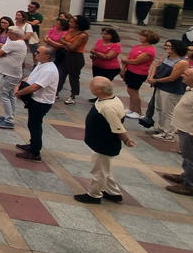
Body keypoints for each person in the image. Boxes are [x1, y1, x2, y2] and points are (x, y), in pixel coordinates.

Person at [73, 76, 134, 204]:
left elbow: (118, 127)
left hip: (104, 143)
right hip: (100, 141)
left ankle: (94, 195)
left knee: (99, 171)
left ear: (100, 89)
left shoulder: (108, 107)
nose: (89, 87)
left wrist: (126, 140)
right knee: (104, 168)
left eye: (92, 85)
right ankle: (113, 193)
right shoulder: (111, 99)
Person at [15, 45, 60, 161]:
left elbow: (35, 87)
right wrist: (19, 85)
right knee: (32, 124)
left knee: (35, 126)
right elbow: (31, 77)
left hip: (41, 102)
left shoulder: (49, 70)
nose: (35, 53)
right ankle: (32, 144)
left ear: (47, 56)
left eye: (38, 52)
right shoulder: (41, 64)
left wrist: (20, 93)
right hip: (35, 99)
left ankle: (35, 152)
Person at [160, 64, 193, 196]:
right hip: (184, 127)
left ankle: (189, 185)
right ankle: (185, 176)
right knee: (186, 156)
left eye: (186, 75)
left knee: (190, 158)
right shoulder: (190, 88)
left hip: (190, 130)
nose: (182, 76)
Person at [147, 39, 188, 142]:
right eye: (166, 45)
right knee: (160, 108)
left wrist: (156, 80)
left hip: (172, 90)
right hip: (161, 86)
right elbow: (156, 65)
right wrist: (151, 77)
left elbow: (172, 78)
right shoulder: (166, 56)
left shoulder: (182, 62)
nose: (166, 48)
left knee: (168, 111)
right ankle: (161, 128)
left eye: (169, 46)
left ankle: (168, 134)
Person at [0, 26, 27, 129]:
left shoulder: (14, 43)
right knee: (11, 95)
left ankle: (9, 120)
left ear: (15, 35)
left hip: (8, 73)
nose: (7, 34)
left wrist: (3, 53)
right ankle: (9, 115)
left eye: (10, 32)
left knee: (4, 94)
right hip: (13, 73)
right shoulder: (21, 43)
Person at [120, 30, 158, 119]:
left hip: (139, 73)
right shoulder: (137, 46)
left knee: (133, 91)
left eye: (144, 36)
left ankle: (138, 112)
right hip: (130, 71)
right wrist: (123, 68)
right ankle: (131, 108)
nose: (141, 37)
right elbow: (129, 57)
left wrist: (124, 60)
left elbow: (137, 61)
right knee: (130, 91)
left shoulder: (150, 50)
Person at [57, 15, 90, 104]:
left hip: (76, 57)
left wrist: (67, 44)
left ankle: (73, 95)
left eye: (72, 21)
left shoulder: (83, 35)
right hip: (66, 54)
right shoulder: (71, 31)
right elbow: (61, 39)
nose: (70, 23)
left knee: (73, 77)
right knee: (61, 74)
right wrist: (68, 43)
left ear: (78, 24)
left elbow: (73, 47)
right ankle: (56, 92)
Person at [89, 27, 122, 94]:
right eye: (103, 33)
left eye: (106, 34)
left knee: (104, 85)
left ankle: (104, 96)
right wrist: (99, 55)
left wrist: (96, 54)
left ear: (112, 35)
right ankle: (98, 96)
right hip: (97, 66)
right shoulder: (100, 41)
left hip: (109, 68)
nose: (104, 35)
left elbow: (107, 56)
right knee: (97, 83)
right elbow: (92, 50)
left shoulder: (116, 45)